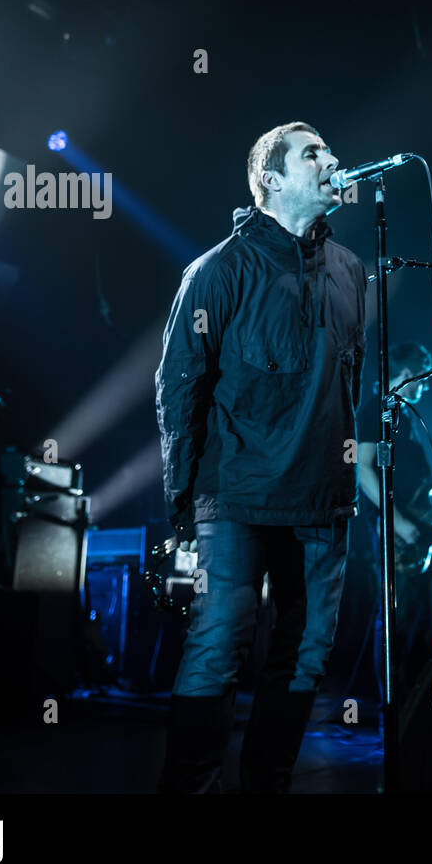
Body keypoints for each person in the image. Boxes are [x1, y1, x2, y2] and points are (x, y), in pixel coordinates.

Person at [154, 121, 367, 793]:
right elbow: (178, 385)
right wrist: (183, 499)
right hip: (236, 491)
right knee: (218, 645)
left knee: (305, 655)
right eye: (314, 154)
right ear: (270, 178)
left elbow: (349, 383)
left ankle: (267, 785)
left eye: (332, 151)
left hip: (320, 498)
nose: (333, 160)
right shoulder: (218, 269)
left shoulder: (352, 270)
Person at [355, 342, 432, 704]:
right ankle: (394, 706)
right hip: (395, 532)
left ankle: (422, 698)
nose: (427, 386)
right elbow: (362, 468)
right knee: (399, 614)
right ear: (409, 373)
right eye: (424, 377)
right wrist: (397, 523)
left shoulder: (406, 416)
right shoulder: (375, 410)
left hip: (419, 529)